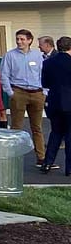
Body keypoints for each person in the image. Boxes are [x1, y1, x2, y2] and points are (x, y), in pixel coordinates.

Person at [3, 29, 48, 167]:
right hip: (19, 92)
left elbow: (44, 74)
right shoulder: (10, 55)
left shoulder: (38, 56)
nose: (19, 42)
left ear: (29, 40)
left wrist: (45, 92)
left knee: (37, 127)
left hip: (37, 93)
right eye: (18, 39)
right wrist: (11, 93)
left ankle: (41, 157)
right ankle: (13, 157)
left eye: (22, 39)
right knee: (16, 126)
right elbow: (4, 75)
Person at [41, 36, 71, 176]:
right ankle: (69, 168)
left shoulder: (48, 63)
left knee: (56, 132)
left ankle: (47, 163)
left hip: (54, 101)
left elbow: (45, 83)